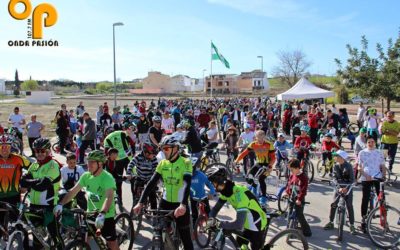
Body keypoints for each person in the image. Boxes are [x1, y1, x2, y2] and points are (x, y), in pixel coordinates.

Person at [133, 135, 193, 250]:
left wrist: (183, 205)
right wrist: (140, 202)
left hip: (180, 203)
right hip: (165, 202)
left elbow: (186, 184)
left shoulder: (185, 162)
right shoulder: (163, 163)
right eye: (162, 149)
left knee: (186, 240)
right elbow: (151, 183)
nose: (163, 151)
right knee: (158, 231)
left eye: (166, 148)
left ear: (175, 148)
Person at [54, 150, 119, 250]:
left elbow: (108, 197)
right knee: (84, 242)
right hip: (90, 214)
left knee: (111, 244)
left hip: (105, 215)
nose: (88, 164)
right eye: (88, 161)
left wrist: (102, 213)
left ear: (100, 163)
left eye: (92, 162)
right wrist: (61, 204)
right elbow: (73, 191)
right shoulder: (86, 176)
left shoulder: (107, 178)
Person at [206, 166, 267, 250]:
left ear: (219, 181)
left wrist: (219, 224)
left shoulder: (239, 195)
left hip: (256, 225)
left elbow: (238, 224)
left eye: (213, 182)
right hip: (246, 223)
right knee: (239, 246)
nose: (212, 185)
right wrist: (211, 219)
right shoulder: (226, 192)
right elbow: (215, 209)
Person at [20, 138, 63, 249]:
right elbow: (23, 181)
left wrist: (30, 182)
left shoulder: (53, 165)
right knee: (36, 238)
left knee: (55, 236)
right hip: (34, 205)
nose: (39, 153)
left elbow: (41, 186)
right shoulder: (34, 165)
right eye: (37, 151)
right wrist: (35, 182)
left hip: (49, 206)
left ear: (48, 151)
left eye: (42, 151)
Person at [235, 130, 276, 206]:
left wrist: (270, 166)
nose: (260, 140)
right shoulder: (253, 144)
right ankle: (255, 188)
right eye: (258, 138)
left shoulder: (269, 144)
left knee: (261, 179)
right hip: (258, 163)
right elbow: (244, 153)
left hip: (267, 165)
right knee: (248, 177)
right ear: (256, 137)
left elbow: (273, 158)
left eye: (261, 138)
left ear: (264, 137)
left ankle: (263, 197)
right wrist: (237, 160)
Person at [0, 135, 31, 230]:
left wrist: (25, 184)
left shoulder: (18, 159)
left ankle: (24, 244)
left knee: (17, 224)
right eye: (2, 146)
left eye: (7, 147)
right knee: (1, 225)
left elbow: (33, 169)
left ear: (11, 147)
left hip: (14, 196)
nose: (4, 149)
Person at [358, 136, 386, 233]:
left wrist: (384, 176)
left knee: (382, 198)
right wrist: (366, 175)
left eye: (372, 142)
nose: (371, 144)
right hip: (366, 177)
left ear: (375, 143)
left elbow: (383, 165)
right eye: (369, 142)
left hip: (377, 177)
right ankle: (363, 219)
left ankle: (383, 219)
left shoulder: (379, 152)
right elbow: (359, 167)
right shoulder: (362, 153)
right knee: (365, 198)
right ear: (366, 143)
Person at [323, 150, 356, 234]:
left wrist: (346, 188)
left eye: (336, 156)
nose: (335, 157)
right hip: (338, 187)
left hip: (347, 187)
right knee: (334, 203)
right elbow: (334, 178)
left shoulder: (349, 166)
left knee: (349, 205)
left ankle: (352, 225)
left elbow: (352, 180)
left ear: (341, 157)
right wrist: (338, 187)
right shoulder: (335, 166)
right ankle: (331, 222)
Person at [284, 159, 312, 237]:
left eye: (292, 169)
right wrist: (286, 192)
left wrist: (299, 199)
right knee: (289, 213)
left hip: (299, 198)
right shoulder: (292, 175)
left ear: (297, 168)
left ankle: (307, 230)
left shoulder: (303, 177)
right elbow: (289, 184)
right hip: (291, 197)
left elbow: (303, 190)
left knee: (299, 215)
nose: (291, 171)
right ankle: (288, 228)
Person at [126, 142, 159, 209]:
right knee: (135, 193)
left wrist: (155, 178)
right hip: (140, 177)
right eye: (152, 154)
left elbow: (156, 169)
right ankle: (134, 207)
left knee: (152, 196)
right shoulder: (138, 157)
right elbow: (131, 164)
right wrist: (128, 173)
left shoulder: (154, 159)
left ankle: (154, 213)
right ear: (146, 153)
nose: (153, 156)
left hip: (150, 179)